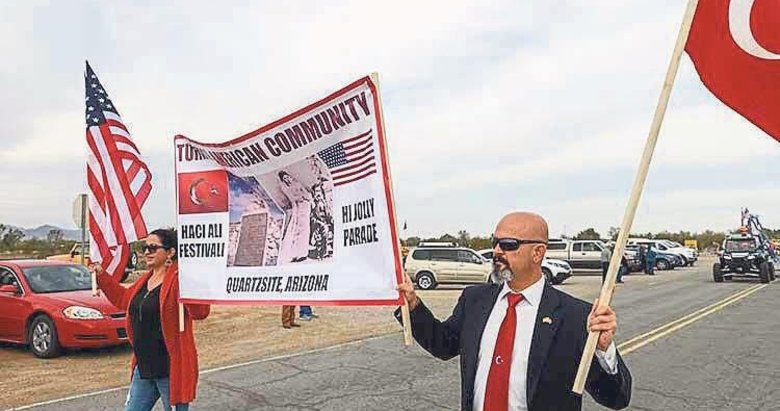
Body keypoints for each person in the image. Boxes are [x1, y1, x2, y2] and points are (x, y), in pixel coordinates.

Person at [396, 212, 631, 411]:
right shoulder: (474, 300)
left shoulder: (575, 316)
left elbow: (616, 398)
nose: (497, 251)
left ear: (538, 252)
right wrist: (413, 304)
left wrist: (603, 349)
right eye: (495, 242)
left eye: (508, 244)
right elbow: (443, 345)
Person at [94, 228, 210, 411]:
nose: (146, 252)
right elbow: (123, 300)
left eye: (153, 248)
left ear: (170, 252)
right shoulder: (145, 279)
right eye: (144, 247)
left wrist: (192, 285)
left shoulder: (179, 278)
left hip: (170, 368)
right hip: (144, 365)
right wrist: (102, 276)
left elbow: (200, 313)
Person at [278, 170, 313, 263]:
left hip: (304, 205)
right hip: (297, 206)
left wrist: (307, 199)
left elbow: (305, 192)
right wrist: (298, 201)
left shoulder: (296, 183)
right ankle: (294, 254)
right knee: (295, 230)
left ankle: (302, 253)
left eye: (287, 176)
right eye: (284, 178)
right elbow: (291, 197)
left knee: (304, 229)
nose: (287, 179)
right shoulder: (285, 187)